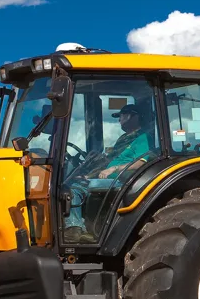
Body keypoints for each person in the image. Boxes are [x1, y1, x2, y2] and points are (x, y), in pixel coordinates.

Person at [63, 104, 152, 242]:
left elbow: (142, 162)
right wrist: (88, 175)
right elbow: (110, 161)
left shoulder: (142, 138)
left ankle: (75, 229)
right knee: (73, 185)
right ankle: (79, 229)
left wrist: (113, 169)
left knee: (77, 188)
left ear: (134, 116)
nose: (119, 120)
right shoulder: (124, 138)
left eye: (122, 115)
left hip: (124, 180)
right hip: (110, 178)